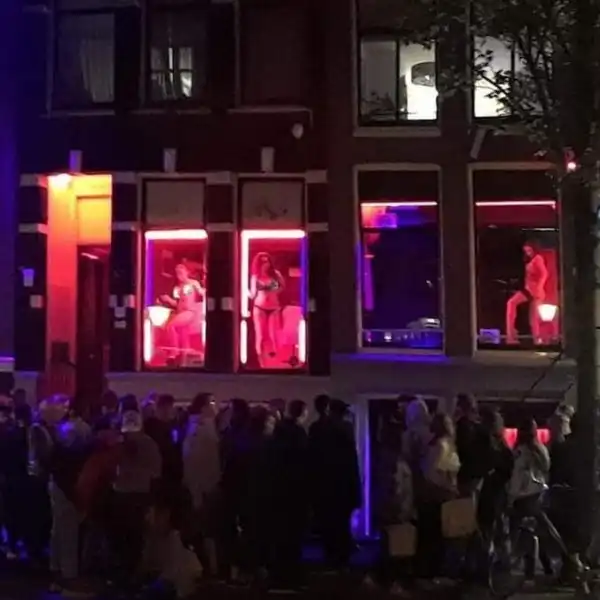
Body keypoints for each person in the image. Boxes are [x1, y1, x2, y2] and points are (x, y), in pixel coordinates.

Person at [109, 410, 162, 591]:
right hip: (139, 497)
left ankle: (121, 578)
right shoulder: (149, 444)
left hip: (121, 496)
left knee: (122, 540)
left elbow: (108, 469)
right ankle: (133, 579)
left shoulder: (117, 443)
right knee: (136, 540)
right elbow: (156, 475)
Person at [269, 400, 310, 590]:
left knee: (281, 538)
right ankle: (291, 577)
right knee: (293, 538)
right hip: (295, 493)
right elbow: (303, 464)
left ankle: (280, 577)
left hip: (279, 493)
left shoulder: (278, 433)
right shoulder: (298, 434)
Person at [416, 413, 460, 581]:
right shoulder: (444, 445)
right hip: (439, 495)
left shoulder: (438, 445)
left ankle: (429, 571)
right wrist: (447, 486)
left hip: (435, 494)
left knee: (432, 534)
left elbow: (429, 471)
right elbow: (434, 472)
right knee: (436, 535)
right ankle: (432, 572)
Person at [182, 393, 221, 575]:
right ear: (203, 407)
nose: (215, 406)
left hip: (204, 487)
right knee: (204, 529)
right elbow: (197, 462)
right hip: (203, 488)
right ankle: (207, 568)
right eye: (212, 402)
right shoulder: (200, 428)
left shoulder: (204, 426)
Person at [159, 263, 205, 365]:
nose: (179, 274)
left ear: (186, 272)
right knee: (184, 337)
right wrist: (168, 300)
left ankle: (174, 351)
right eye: (177, 273)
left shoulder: (193, 283)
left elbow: (201, 292)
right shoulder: (178, 287)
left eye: (181, 272)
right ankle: (183, 360)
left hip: (189, 312)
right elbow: (178, 303)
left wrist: (204, 289)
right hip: (181, 312)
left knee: (170, 325)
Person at [506, 241, 548, 345]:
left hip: (535, 291)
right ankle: (511, 334)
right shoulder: (530, 260)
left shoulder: (538, 258)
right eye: (526, 251)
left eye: (529, 250)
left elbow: (544, 274)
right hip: (528, 289)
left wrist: (539, 287)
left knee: (533, 318)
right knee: (512, 304)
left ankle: (536, 340)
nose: (528, 253)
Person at [250, 252, 285, 366]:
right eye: (263, 262)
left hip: (274, 307)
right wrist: (245, 293)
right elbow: (252, 294)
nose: (266, 264)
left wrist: (274, 292)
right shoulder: (256, 277)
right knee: (260, 335)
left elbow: (282, 287)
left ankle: (275, 360)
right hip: (259, 307)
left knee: (273, 335)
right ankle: (261, 362)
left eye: (268, 261)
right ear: (259, 264)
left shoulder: (276, 274)